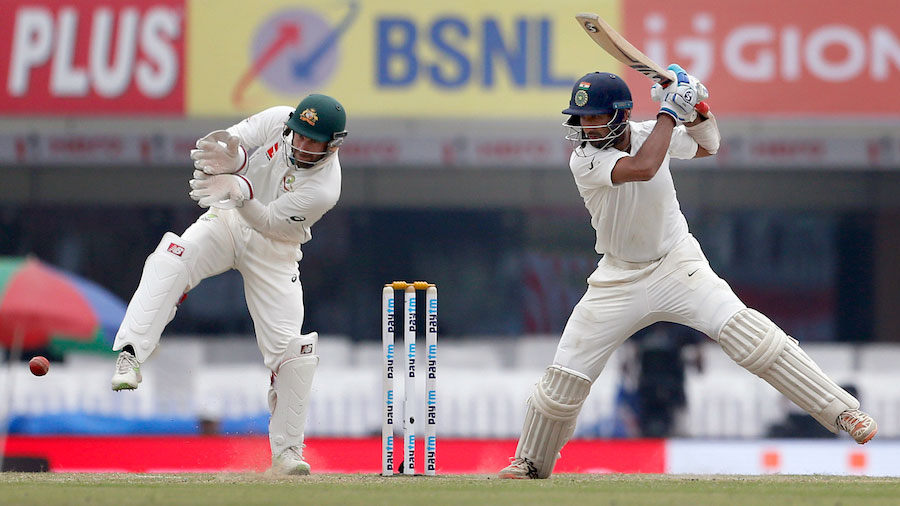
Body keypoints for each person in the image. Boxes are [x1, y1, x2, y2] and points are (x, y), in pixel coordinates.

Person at [498, 67, 877, 479]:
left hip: (677, 265)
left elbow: (708, 145)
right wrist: (670, 110)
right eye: (582, 119)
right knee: (564, 382)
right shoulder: (585, 159)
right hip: (616, 278)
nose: (587, 127)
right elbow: (642, 167)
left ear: (621, 115)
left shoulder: (650, 131)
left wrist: (695, 109)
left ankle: (843, 413)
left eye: (596, 117)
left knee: (752, 338)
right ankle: (532, 462)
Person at [110, 94, 348, 475]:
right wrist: (231, 162)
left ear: (331, 145)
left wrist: (241, 192)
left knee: (293, 351)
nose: (301, 145)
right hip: (224, 223)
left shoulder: (324, 187)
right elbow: (232, 142)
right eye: (299, 135)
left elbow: (269, 222)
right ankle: (130, 354)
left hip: (275, 249)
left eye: (312, 141)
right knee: (173, 255)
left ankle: (287, 453)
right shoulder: (278, 119)